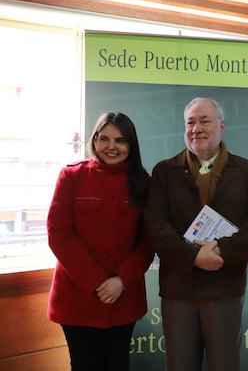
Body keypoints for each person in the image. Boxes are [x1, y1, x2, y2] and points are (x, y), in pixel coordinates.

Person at [145, 97, 248, 371]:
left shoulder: (246, 170)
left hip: (225, 287)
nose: (196, 128)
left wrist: (221, 251)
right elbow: (156, 226)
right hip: (179, 290)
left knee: (224, 365)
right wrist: (194, 256)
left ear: (221, 125)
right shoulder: (164, 171)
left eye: (204, 120)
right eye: (190, 122)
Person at [47, 112, 153, 371]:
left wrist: (120, 280)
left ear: (131, 144)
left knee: (118, 364)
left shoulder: (144, 182)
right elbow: (59, 234)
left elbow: (149, 240)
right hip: (77, 297)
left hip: (123, 295)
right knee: (85, 365)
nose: (111, 146)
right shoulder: (72, 176)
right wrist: (97, 282)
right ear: (94, 141)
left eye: (120, 140)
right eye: (104, 138)